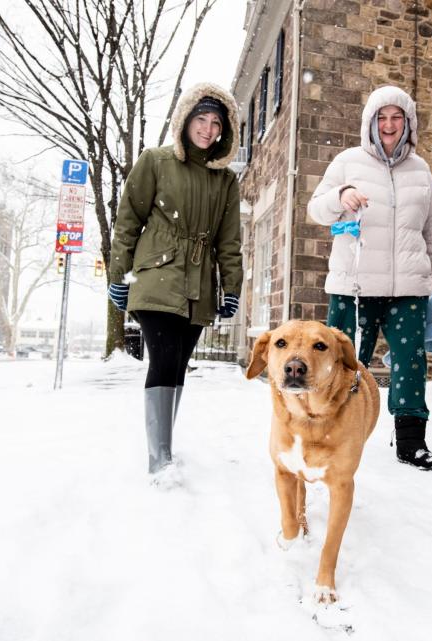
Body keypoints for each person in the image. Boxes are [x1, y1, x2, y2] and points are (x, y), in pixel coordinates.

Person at [308, 85, 432, 473]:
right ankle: (326, 431)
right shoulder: (347, 162)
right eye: (382, 117)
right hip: (353, 286)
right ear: (370, 123)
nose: (389, 125)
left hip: (408, 287)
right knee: (339, 362)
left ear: (408, 123)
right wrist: (342, 195)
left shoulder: (421, 171)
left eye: (397, 117)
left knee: (411, 362)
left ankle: (411, 442)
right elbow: (316, 210)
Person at [108, 82, 242, 481]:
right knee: (164, 359)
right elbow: (128, 218)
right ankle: (160, 460)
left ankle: (164, 447)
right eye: (201, 119)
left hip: (199, 285)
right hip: (157, 277)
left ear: (224, 130)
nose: (207, 129)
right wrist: (119, 274)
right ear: (185, 120)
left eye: (216, 122)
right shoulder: (156, 161)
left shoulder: (226, 181)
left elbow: (229, 239)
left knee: (179, 365)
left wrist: (231, 287)